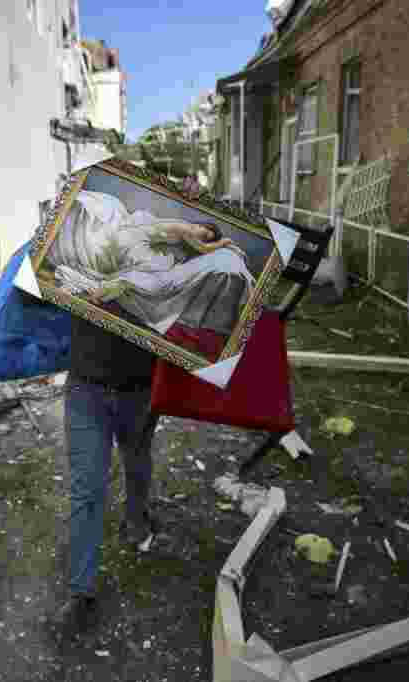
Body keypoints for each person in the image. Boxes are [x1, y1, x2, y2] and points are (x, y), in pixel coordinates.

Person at [46, 190, 231, 642]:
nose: (200, 236)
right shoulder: (125, 238)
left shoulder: (177, 276)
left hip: (138, 391)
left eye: (208, 235)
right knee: (86, 489)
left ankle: (137, 516)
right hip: (86, 388)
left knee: (137, 462)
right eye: (199, 229)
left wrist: (209, 250)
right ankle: (81, 592)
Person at [45, 190, 256, 337]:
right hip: (125, 241)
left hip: (127, 246)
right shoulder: (180, 230)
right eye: (205, 231)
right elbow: (198, 241)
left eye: (207, 237)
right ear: (198, 225)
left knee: (147, 271)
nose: (203, 237)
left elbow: (195, 246)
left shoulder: (175, 243)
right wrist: (223, 244)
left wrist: (218, 246)